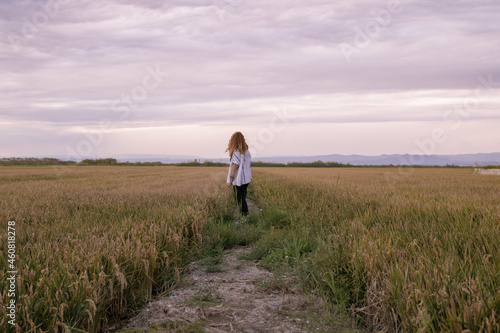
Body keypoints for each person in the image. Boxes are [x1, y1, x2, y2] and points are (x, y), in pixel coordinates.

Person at [226, 132, 252, 219]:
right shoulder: (246, 151)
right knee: (243, 197)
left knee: (239, 199)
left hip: (239, 179)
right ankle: (244, 217)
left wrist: (230, 178)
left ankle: (244, 217)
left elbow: (235, 165)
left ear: (233, 140)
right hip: (246, 178)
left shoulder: (237, 151)